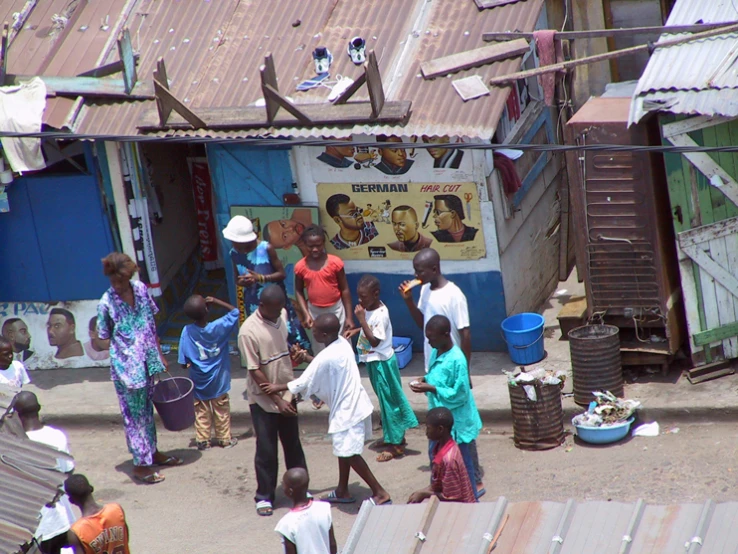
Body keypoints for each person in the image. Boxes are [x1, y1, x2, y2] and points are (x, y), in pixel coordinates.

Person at [261, 314, 391, 506]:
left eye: (314, 332)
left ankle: (380, 492)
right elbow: (324, 364)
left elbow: (303, 381)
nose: (312, 333)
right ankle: (342, 490)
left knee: (349, 453)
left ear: (322, 335)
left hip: (347, 411)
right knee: (343, 450)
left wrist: (276, 387)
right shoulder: (342, 343)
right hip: (355, 405)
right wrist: (305, 357)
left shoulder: (326, 356)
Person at [399, 248, 484, 494]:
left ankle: (473, 478)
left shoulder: (454, 295)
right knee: (441, 425)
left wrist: (466, 372)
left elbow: (465, 333)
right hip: (434, 363)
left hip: (453, 368)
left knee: (460, 426)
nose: (415, 274)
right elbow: (424, 324)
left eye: (419, 271)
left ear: (434, 269)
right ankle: (443, 478)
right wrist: (407, 301)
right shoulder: (424, 290)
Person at [96, 252, 182, 485]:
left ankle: (152, 453)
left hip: (147, 360)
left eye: (121, 281)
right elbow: (103, 335)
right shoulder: (106, 302)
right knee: (134, 416)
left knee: (146, 410)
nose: (117, 286)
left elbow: (150, 323)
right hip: (126, 368)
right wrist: (124, 346)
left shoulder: (141, 290)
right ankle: (140, 465)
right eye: (113, 281)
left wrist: (159, 354)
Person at [239, 285, 307, 517]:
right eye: (275, 310)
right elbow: (255, 370)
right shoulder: (248, 331)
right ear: (262, 306)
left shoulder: (282, 315)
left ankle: (300, 490)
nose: (280, 313)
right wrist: (277, 401)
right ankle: (264, 496)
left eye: (281, 309)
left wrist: (293, 356)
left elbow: (282, 349)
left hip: (287, 390)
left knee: (293, 445)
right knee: (266, 449)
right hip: (264, 399)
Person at [345, 275, 417, 462]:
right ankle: (389, 436)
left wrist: (360, 321)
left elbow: (375, 340)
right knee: (384, 401)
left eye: (364, 297)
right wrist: (356, 330)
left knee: (390, 402)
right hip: (373, 362)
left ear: (375, 294)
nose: (360, 301)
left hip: (382, 363)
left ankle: (397, 444)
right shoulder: (370, 309)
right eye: (359, 297)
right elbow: (369, 330)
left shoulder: (380, 313)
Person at [409, 316, 482, 500]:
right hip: (439, 422)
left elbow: (460, 394)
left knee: (464, 467)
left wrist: (431, 388)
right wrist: (424, 380)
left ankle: (471, 501)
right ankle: (443, 497)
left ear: (446, 334)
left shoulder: (457, 360)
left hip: (457, 425)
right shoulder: (437, 352)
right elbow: (435, 376)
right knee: (439, 463)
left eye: (432, 337)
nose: (429, 341)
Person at [223, 215, 311, 352]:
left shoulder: (266, 248)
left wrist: (260, 278)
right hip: (254, 306)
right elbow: (236, 279)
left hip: (277, 305)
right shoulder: (233, 253)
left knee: (292, 343)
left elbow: (282, 274)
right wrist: (243, 282)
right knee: (266, 346)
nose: (234, 244)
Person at [15, 391, 77, 554]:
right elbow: (68, 473)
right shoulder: (57, 437)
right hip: (61, 518)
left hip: (33, 527)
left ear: (16, 415)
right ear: (39, 409)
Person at [179, 294, 239, 451]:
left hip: (199, 382)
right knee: (221, 410)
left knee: (201, 411)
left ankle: (203, 440)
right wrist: (217, 300)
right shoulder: (218, 327)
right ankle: (224, 439)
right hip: (219, 380)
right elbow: (235, 312)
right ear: (207, 310)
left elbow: (183, 363)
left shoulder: (186, 331)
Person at [294, 225, 355, 353]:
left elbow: (344, 289)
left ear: (324, 243)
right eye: (310, 246)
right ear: (305, 244)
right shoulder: (300, 267)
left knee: (342, 344)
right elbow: (299, 291)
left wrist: (349, 317)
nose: (315, 249)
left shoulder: (335, 263)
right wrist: (306, 314)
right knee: (320, 348)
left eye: (319, 245)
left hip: (336, 310)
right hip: (315, 312)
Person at [408, 407, 476, 504]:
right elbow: (438, 484)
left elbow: (452, 497)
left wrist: (424, 494)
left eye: (428, 428)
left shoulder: (449, 460)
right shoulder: (440, 447)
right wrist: (421, 492)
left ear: (440, 429)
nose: (426, 432)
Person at [63, 474, 131, 554]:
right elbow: (125, 538)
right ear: (91, 488)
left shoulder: (77, 532)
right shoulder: (116, 510)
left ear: (71, 500)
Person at [275, 468, 337, 554]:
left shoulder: (286, 524)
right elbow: (332, 544)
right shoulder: (323, 508)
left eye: (283, 484)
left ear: (289, 491)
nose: (282, 486)